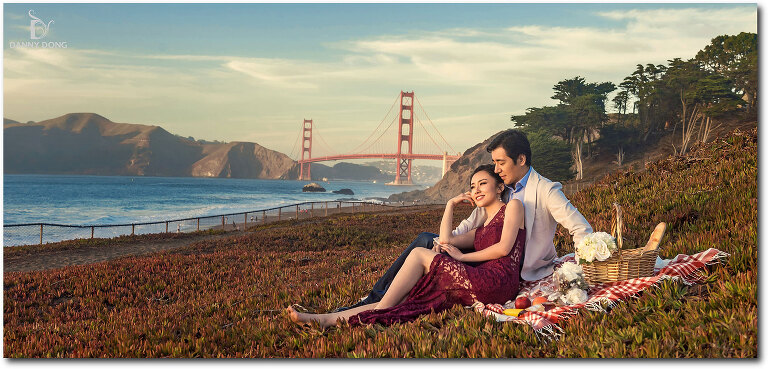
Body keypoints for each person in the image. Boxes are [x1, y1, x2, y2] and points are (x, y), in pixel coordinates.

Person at [335, 129, 592, 312]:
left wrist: (585, 269)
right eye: (494, 163)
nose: (497, 169)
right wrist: (444, 242)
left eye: (501, 163)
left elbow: (581, 228)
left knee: (427, 246)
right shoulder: (497, 191)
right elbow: (464, 230)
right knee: (428, 240)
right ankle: (374, 299)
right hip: (487, 255)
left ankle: (374, 304)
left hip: (516, 267)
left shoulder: (546, 190)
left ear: (521, 160)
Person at [287, 165, 525, 327]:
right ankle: (327, 319)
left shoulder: (513, 207)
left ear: (500, 187)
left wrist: (462, 260)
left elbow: (504, 249)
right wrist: (450, 204)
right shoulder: (482, 227)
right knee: (403, 299)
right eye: (473, 186)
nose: (476, 190)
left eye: (483, 184)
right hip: (482, 279)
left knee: (420, 254)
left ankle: (373, 310)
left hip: (498, 283)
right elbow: (446, 240)